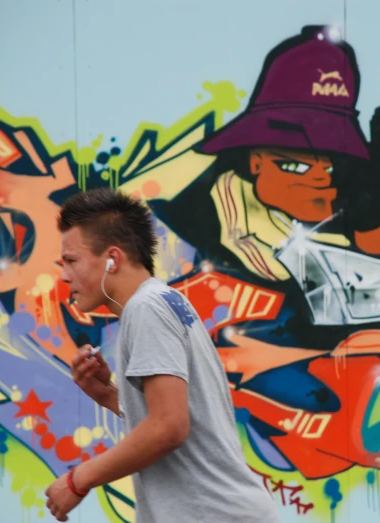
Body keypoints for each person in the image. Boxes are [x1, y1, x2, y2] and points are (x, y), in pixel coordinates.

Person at [44, 188, 280, 523]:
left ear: (113, 258)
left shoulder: (146, 309)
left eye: (71, 261)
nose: (64, 275)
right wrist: (108, 394)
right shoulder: (162, 301)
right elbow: (180, 417)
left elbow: (169, 427)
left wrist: (77, 480)